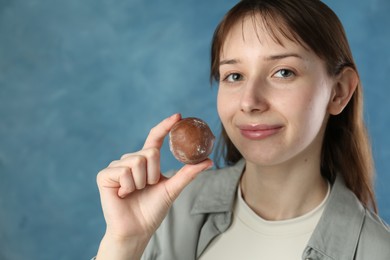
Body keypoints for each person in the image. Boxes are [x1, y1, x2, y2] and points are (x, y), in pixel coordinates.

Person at [94, 0, 390, 259]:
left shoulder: (377, 251)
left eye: (283, 72)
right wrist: (124, 244)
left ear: (338, 92)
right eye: (234, 75)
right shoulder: (166, 208)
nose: (249, 102)